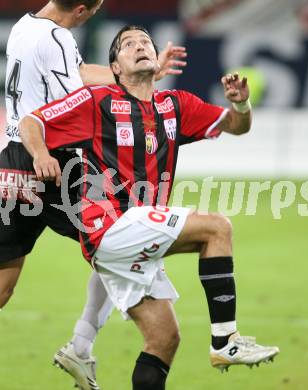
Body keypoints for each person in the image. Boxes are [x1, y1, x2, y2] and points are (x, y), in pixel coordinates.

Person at [19, 25, 279, 389]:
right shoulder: (97, 101)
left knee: (165, 339)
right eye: (128, 44)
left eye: (145, 42)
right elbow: (32, 122)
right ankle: (226, 341)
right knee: (217, 227)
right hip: (108, 225)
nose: (140, 46)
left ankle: (81, 346)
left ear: (156, 59)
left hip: (131, 236)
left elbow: (237, 125)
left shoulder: (177, 106)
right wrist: (41, 153)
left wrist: (240, 102)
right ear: (115, 66)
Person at [0, 1, 187, 388]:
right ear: (85, 11)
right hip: (52, 163)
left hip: (11, 164)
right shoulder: (58, 37)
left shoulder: (25, 25)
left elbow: (80, 72)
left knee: (2, 286)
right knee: (122, 237)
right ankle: (81, 347)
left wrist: (140, 71)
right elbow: (79, 96)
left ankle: (81, 348)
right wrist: (134, 86)